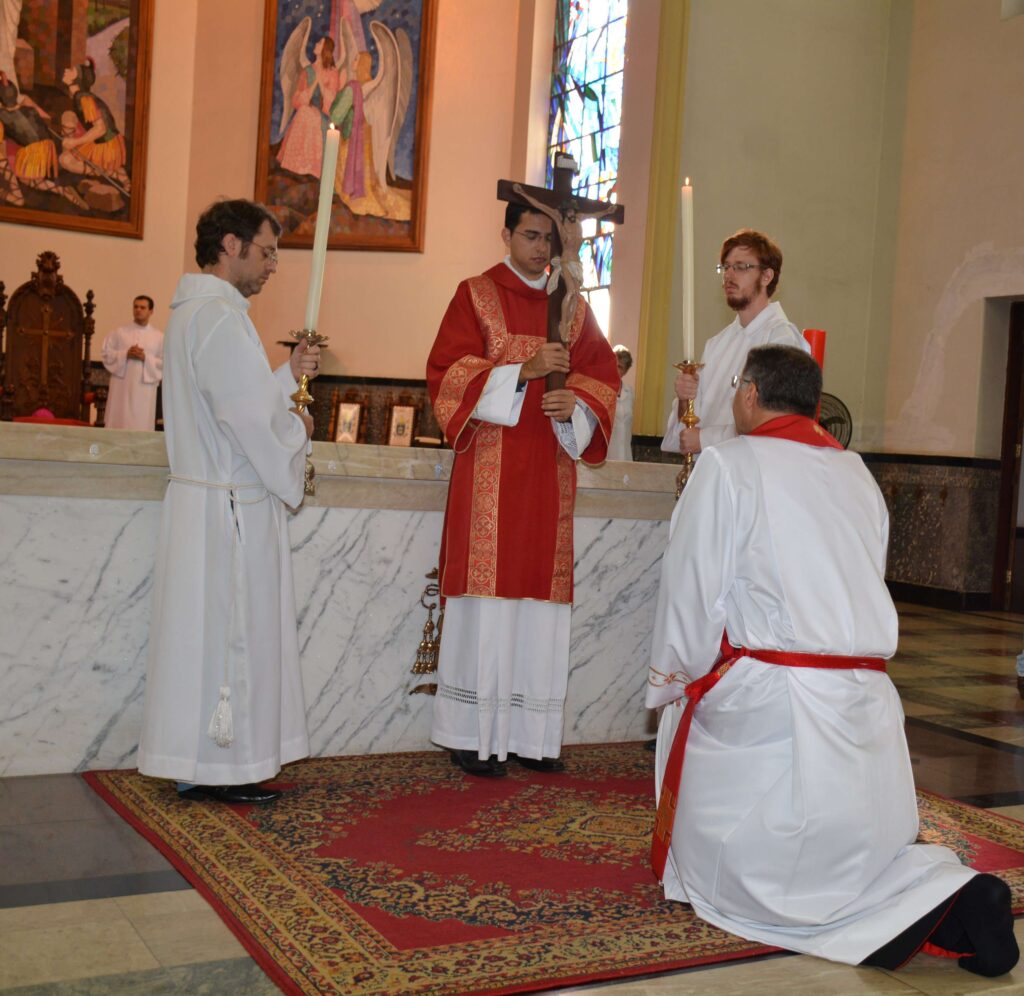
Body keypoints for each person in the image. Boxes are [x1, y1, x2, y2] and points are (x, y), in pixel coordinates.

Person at [647, 345, 1019, 976]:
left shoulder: (728, 463)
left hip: (774, 698)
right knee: (860, 856)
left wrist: (677, 677)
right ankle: (948, 897)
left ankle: (927, 910)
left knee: (747, 867)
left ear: (750, 395)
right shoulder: (857, 473)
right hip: (866, 700)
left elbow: (692, 586)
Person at [136, 199, 321, 805]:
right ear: (231, 245)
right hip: (230, 508)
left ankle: (199, 762)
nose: (272, 266)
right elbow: (250, 425)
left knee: (203, 640)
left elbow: (235, 403)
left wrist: (284, 375)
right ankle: (227, 766)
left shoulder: (194, 314)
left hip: (204, 501)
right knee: (232, 637)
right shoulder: (220, 318)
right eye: (267, 252)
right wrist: (298, 429)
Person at [426, 201, 619, 777]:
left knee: (539, 606)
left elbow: (603, 379)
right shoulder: (475, 295)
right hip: (489, 474)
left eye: (548, 239)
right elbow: (447, 375)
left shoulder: (573, 307)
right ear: (506, 234)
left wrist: (573, 402)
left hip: (547, 475)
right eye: (530, 236)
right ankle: (471, 735)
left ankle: (530, 737)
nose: (540, 248)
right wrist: (523, 372)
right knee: (487, 603)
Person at [662, 229, 808, 456]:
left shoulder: (783, 341)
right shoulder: (716, 344)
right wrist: (684, 400)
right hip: (709, 469)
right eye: (726, 267)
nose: (729, 275)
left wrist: (705, 439)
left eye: (741, 267)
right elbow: (686, 433)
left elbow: (775, 424)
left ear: (767, 276)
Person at [101, 295, 164, 430]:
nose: (138, 310)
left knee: (141, 423)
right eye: (135, 307)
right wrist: (125, 354)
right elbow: (106, 354)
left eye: (142, 307)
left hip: (144, 389)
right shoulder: (119, 333)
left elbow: (165, 362)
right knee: (119, 420)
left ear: (151, 311)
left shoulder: (159, 337)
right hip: (121, 387)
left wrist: (145, 357)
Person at [608, 344, 633, 461]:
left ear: (625, 371)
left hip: (625, 454)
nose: (615, 369)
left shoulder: (630, 393)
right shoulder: (602, 390)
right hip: (607, 454)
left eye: (620, 367)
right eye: (614, 365)